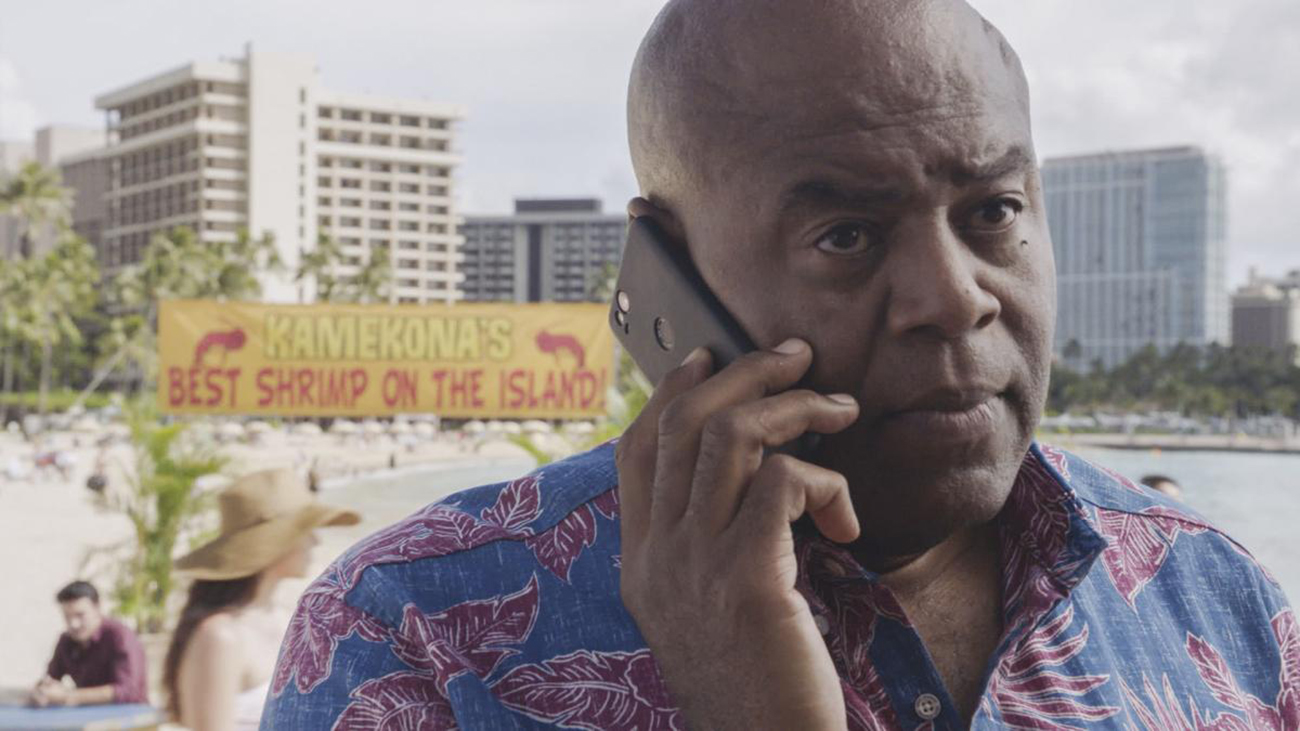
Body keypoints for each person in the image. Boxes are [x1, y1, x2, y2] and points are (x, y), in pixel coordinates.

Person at [263, 1, 1297, 728]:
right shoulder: (414, 640)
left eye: (993, 212)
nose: (954, 297)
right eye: (846, 235)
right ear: (671, 270)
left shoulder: (1215, 596)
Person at [164, 468, 359, 731]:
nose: (315, 540)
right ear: (277, 542)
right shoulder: (220, 636)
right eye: (305, 530)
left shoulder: (285, 618)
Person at [30, 581, 147, 708]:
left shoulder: (121, 637)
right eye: (67, 617)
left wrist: (68, 696)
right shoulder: (66, 640)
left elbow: (129, 691)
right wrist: (42, 690)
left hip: (130, 716)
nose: (74, 624)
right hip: (87, 716)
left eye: (80, 615)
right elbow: (51, 679)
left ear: (97, 608)